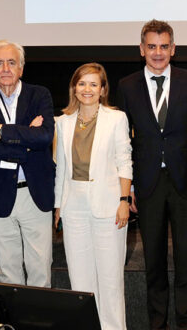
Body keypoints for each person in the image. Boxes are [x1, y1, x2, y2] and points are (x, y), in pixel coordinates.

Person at [116, 19, 187, 330]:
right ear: (142, 49)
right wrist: (127, 188)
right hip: (147, 185)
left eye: (164, 46)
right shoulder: (127, 85)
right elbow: (123, 142)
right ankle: (157, 323)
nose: (158, 52)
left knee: (186, 259)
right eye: (152, 46)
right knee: (153, 260)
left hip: (185, 184)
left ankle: (186, 323)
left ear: (174, 48)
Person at [0, 40, 55, 287]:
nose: (5, 68)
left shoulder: (40, 95)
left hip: (34, 193)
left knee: (40, 269)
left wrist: (1, 131)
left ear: (21, 68)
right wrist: (25, 140)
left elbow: (45, 136)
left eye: (11, 62)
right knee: (8, 271)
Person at [54, 63, 132, 330]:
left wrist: (125, 201)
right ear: (74, 88)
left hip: (109, 206)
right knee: (80, 281)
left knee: (110, 280)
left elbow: (125, 162)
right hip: (73, 207)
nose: (87, 89)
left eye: (93, 84)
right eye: (82, 83)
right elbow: (61, 169)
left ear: (102, 90)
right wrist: (58, 206)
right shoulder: (61, 123)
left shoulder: (116, 118)